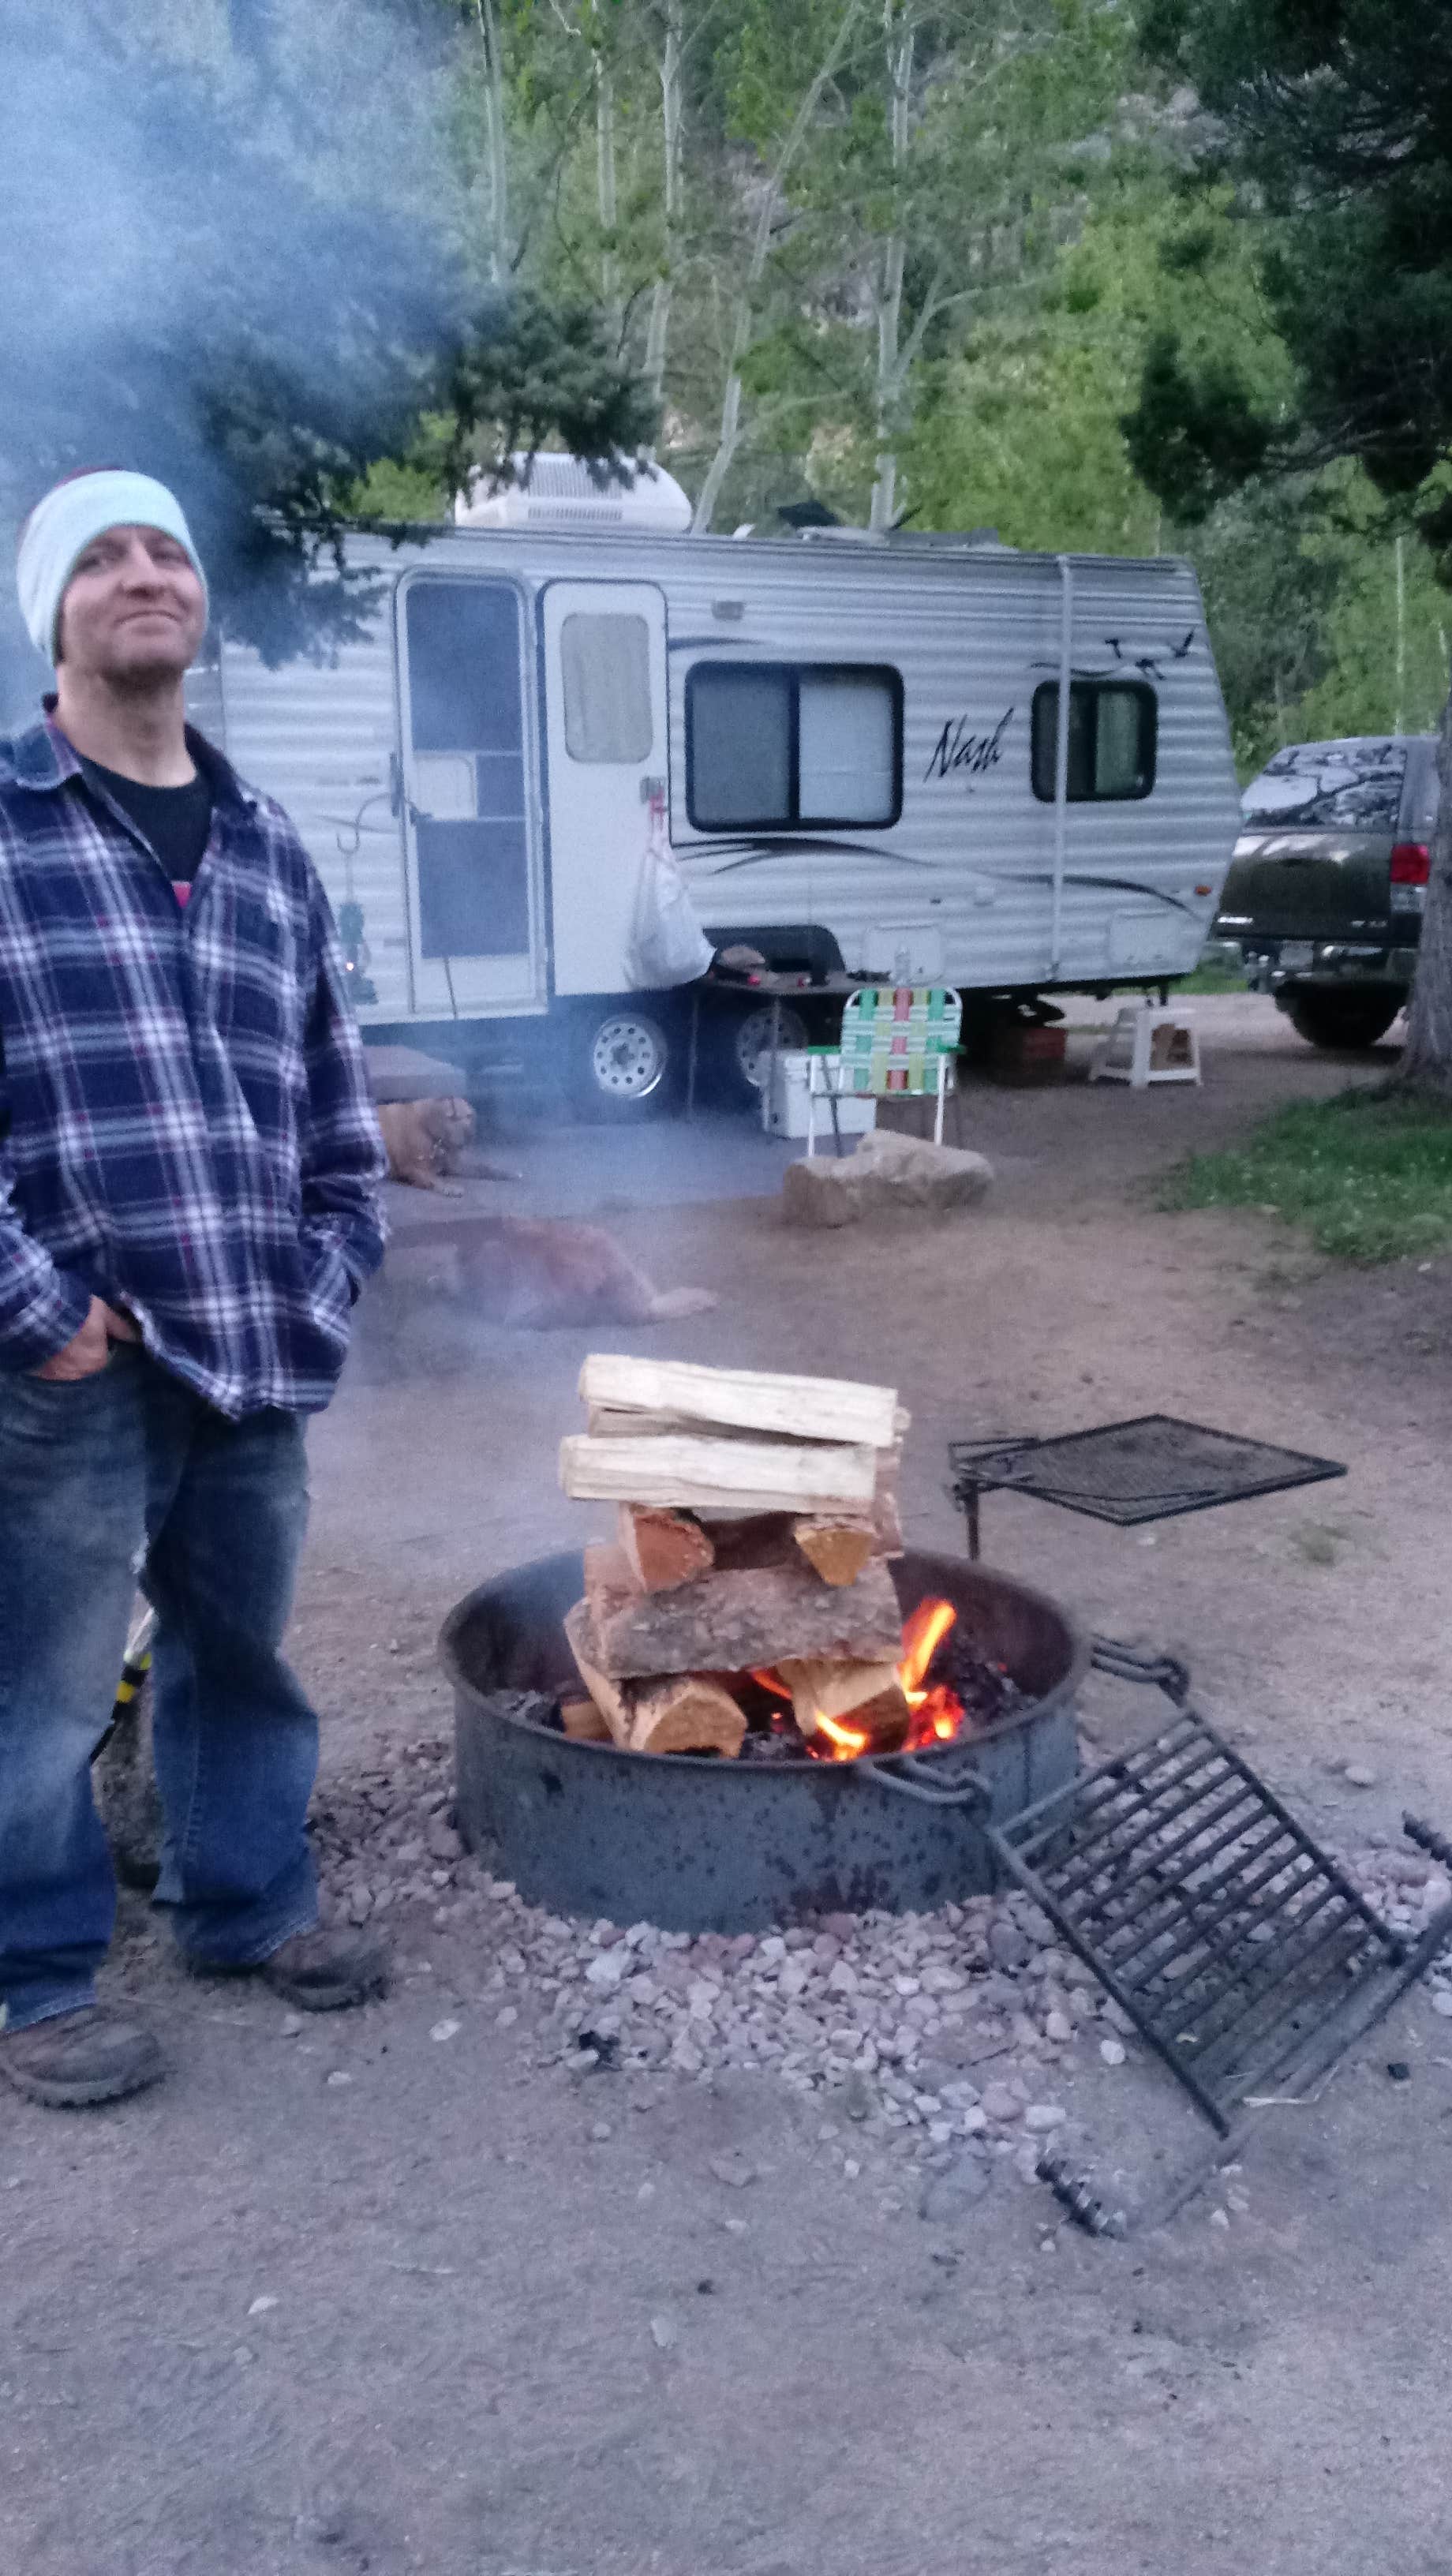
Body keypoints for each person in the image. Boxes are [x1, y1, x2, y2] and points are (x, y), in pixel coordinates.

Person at [0, 469, 390, 2107]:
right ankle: (35, 1978)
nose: (143, 575)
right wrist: (33, 1307)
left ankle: (246, 1907)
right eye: (100, 559)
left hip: (251, 1347)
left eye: (163, 550)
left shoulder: (263, 843)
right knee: (42, 1682)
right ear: (53, 618)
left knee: (242, 1655)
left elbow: (330, 1098)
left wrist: (330, 1269)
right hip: (72, 1359)